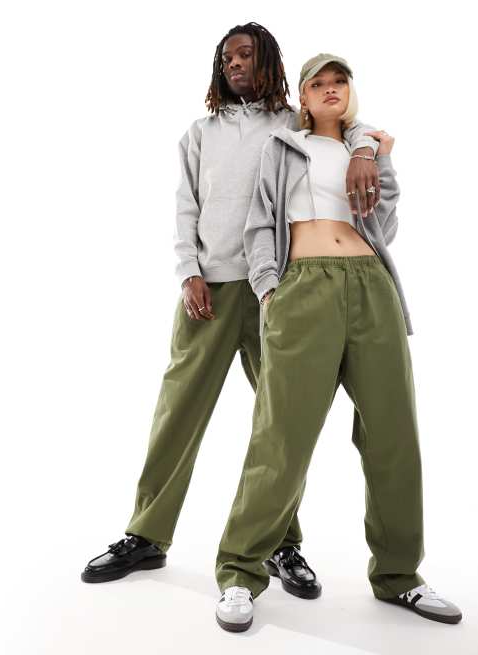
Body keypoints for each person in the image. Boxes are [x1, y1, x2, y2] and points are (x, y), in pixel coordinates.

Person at [81, 28, 381, 597]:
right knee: (178, 409)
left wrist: (365, 149)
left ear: (268, 61)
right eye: (227, 58)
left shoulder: (294, 123)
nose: (235, 64)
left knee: (283, 423)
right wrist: (188, 270)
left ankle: (281, 544)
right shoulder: (201, 133)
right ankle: (146, 535)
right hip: (210, 290)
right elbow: (185, 205)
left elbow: (353, 127)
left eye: (246, 55)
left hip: (282, 290)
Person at [214, 53, 462, 632]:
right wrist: (270, 291)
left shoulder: (367, 148)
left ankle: (399, 575)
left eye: (339, 81)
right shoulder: (282, 147)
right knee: (281, 435)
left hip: (371, 285)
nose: (330, 89)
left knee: (393, 432)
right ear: (302, 97)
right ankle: (240, 571)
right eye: (318, 83)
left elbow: (384, 226)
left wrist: (372, 154)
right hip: (303, 289)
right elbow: (259, 225)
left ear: (351, 91)